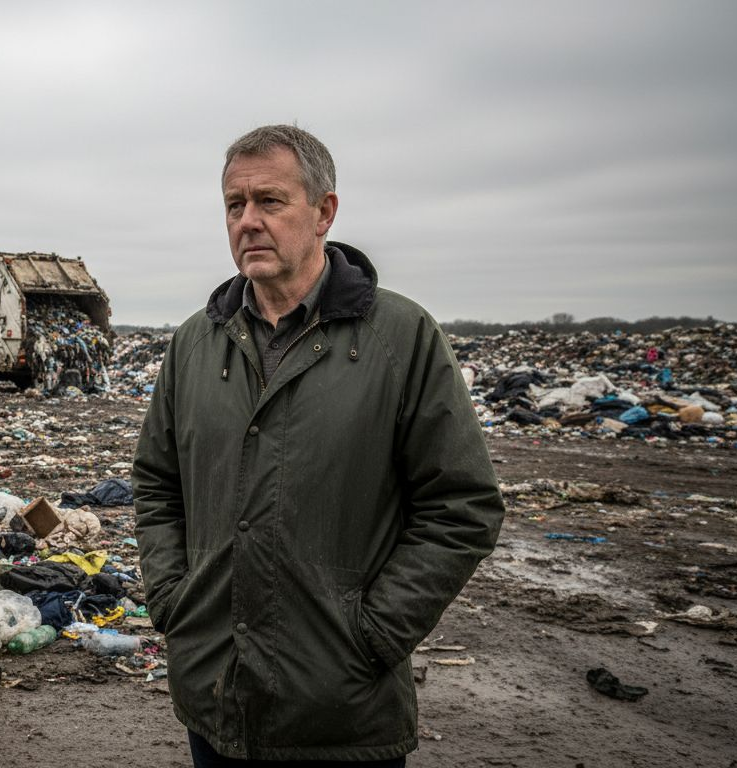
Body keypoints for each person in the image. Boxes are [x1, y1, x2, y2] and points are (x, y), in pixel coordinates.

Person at [132, 124, 505, 766]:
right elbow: (157, 483)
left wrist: (373, 635)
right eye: (233, 204)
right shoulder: (196, 343)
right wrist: (174, 601)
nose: (247, 221)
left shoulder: (400, 338)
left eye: (269, 201)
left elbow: (462, 507)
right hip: (215, 699)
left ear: (324, 211)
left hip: (343, 712)